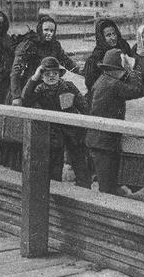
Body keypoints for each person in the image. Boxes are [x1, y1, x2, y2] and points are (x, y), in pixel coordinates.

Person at [0, 15, 79, 169]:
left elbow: (67, 62)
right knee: (25, 131)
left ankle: (45, 167)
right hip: (26, 90)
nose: (49, 33)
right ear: (40, 30)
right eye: (46, 30)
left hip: (46, 90)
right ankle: (20, 167)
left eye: (52, 30)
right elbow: (15, 72)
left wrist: (81, 72)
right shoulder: (28, 45)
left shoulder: (55, 46)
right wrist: (16, 96)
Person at [22, 56, 91, 188]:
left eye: (55, 73)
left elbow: (84, 107)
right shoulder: (40, 89)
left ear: (60, 74)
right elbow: (26, 99)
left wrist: (85, 125)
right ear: (42, 76)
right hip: (53, 134)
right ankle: (56, 193)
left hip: (73, 132)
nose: (52, 76)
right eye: (47, 74)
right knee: (54, 168)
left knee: (80, 165)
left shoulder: (68, 87)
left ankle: (85, 193)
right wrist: (34, 78)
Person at [85, 48, 143, 194]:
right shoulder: (114, 84)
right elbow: (138, 90)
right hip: (105, 141)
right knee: (107, 186)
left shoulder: (102, 80)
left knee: (108, 181)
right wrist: (130, 70)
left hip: (99, 138)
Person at [83, 19, 132, 110]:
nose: (113, 38)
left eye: (114, 34)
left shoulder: (123, 46)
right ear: (101, 37)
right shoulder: (96, 57)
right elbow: (91, 84)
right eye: (108, 35)